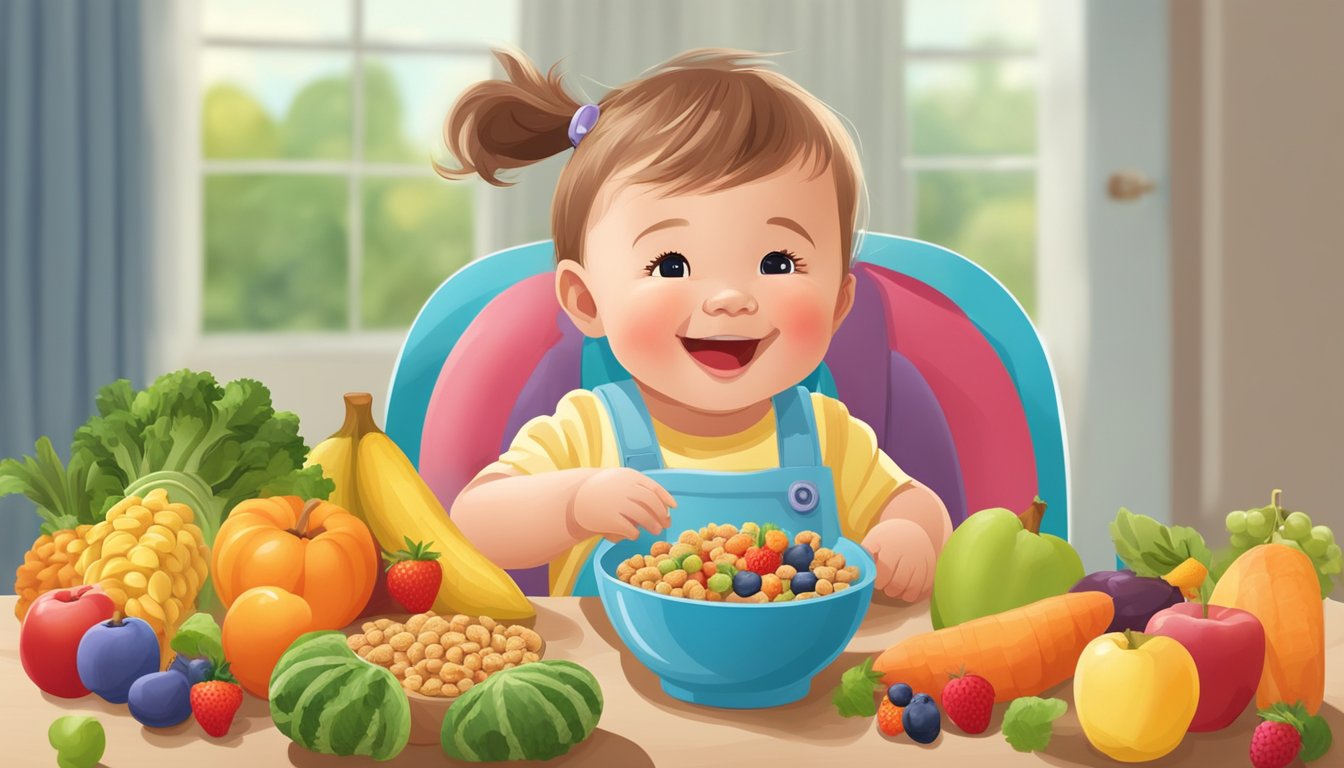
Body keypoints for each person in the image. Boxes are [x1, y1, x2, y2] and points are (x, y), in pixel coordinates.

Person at [439, 46, 951, 601]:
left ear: (836, 306)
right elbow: (472, 521)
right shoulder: (586, 431)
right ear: (587, 301)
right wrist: (575, 502)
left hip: (796, 679)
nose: (730, 298)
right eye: (671, 265)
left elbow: (915, 503)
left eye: (778, 264)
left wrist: (910, 534)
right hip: (614, 680)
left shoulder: (825, 434)